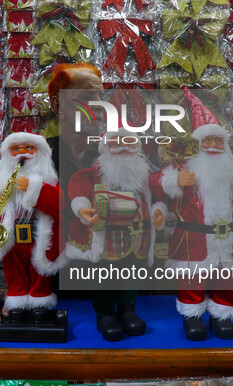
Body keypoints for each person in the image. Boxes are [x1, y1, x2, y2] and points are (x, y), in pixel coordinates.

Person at [0, 63, 104, 322]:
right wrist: (2, 285)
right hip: (43, 292)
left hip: (105, 293)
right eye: (85, 98)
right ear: (58, 106)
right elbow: (8, 217)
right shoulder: (31, 158)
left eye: (100, 97)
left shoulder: (117, 156)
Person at [150, 89, 233, 341]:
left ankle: (222, 314)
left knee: (223, 278)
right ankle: (192, 316)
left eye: (219, 142)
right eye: (207, 141)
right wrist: (174, 180)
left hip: (227, 238)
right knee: (191, 278)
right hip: (192, 240)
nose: (214, 146)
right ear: (197, 144)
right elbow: (153, 182)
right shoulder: (184, 167)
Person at [66, 127, 164, 341]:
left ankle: (128, 310)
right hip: (108, 236)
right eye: (116, 142)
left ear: (137, 146)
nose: (123, 147)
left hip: (139, 236)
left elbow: (157, 196)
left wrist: (158, 212)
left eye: (129, 141)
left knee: (132, 273)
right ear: (105, 147)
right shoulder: (96, 174)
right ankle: (105, 313)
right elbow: (78, 189)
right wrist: (83, 209)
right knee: (104, 276)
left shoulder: (145, 174)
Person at [0, 132, 66, 319]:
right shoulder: (4, 181)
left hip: (40, 234)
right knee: (14, 269)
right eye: (16, 149)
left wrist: (35, 189)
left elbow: (61, 206)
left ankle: (40, 299)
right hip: (14, 234)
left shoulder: (49, 180)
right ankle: (17, 299)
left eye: (29, 148)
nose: (22, 153)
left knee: (40, 270)